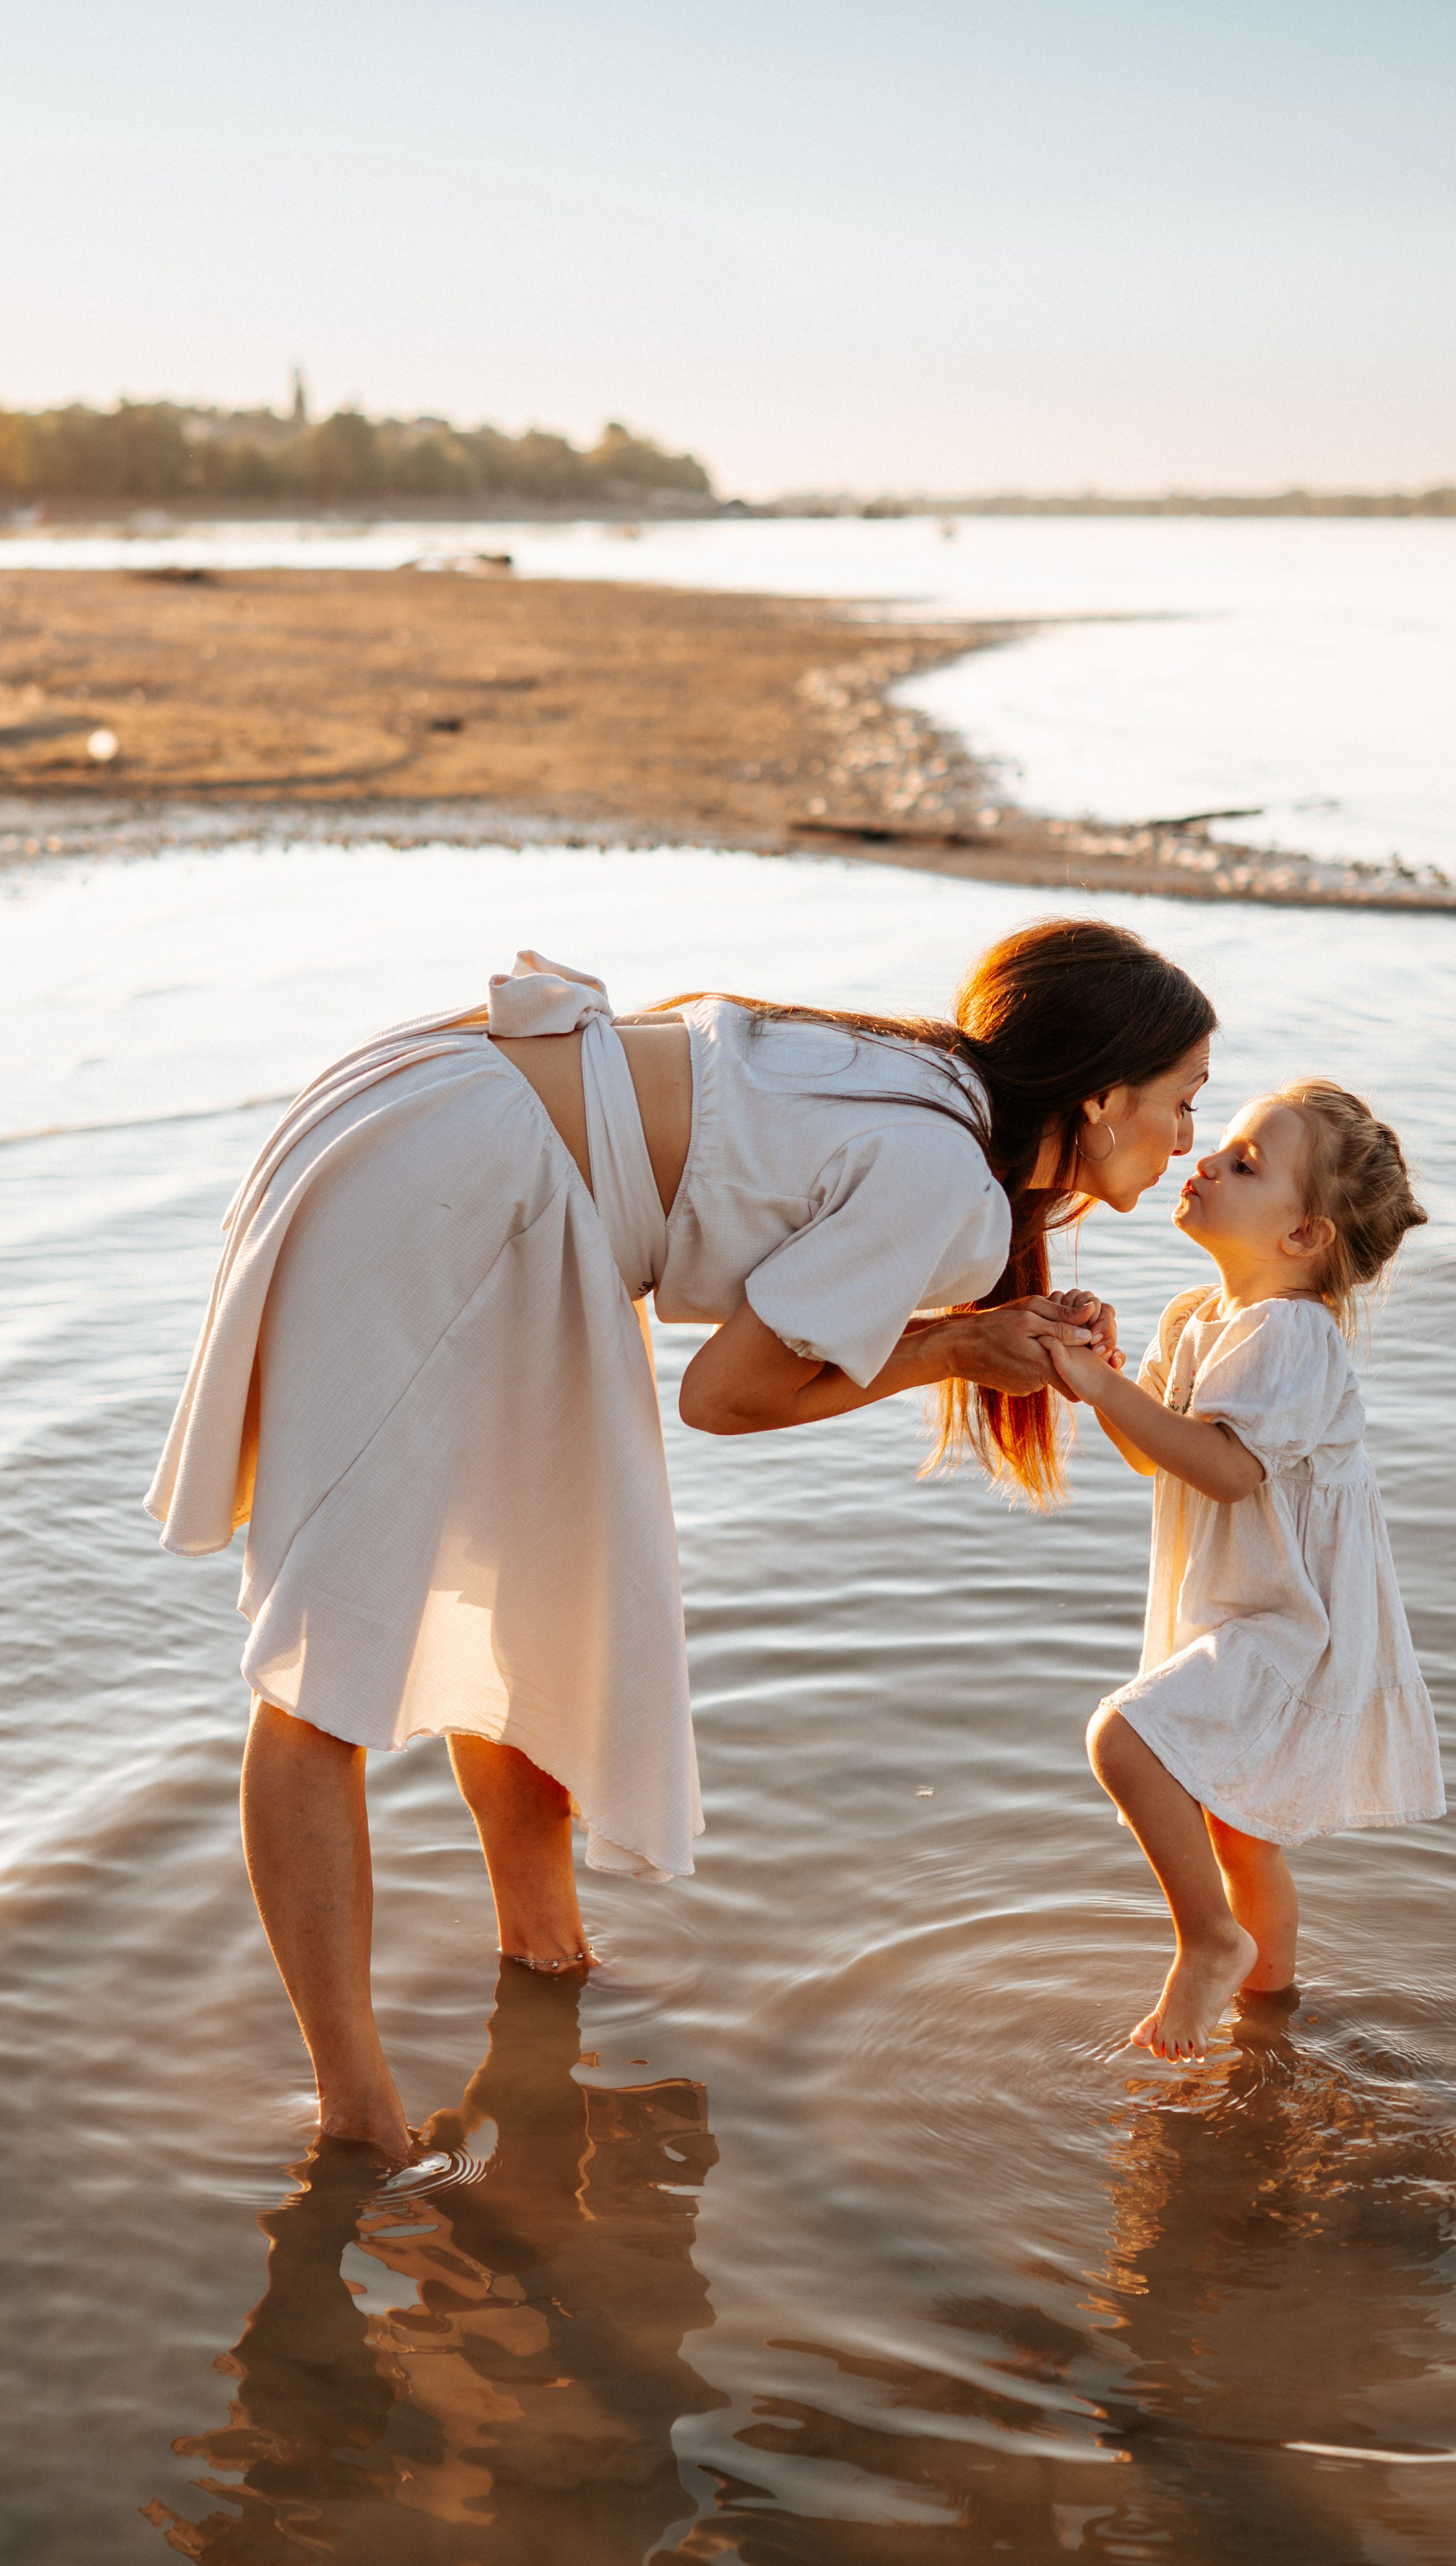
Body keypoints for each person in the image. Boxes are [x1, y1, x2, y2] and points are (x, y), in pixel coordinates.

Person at [148, 916, 1216, 2159]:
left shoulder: (924, 1080)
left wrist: (970, 1330)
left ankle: (545, 1961)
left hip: (450, 1112)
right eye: (1185, 1102)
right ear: (1101, 1100)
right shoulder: (953, 1181)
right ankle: (358, 2113)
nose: (1191, 1136)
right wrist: (952, 1345)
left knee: (532, 1599)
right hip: (462, 1181)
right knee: (324, 1667)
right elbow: (724, 1398)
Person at [1046, 1079, 1442, 2062]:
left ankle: (1211, 1943)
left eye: (1244, 1164)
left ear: (1304, 1237)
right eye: (1219, 1144)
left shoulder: (1293, 1333)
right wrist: (1108, 1364)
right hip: (1246, 1609)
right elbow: (1159, 1449)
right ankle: (1270, 2023)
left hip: (1289, 1625)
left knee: (1125, 1740)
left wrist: (1097, 1383)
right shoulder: (1201, 1317)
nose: (1203, 1160)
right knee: (1241, 1835)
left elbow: (1224, 1470)